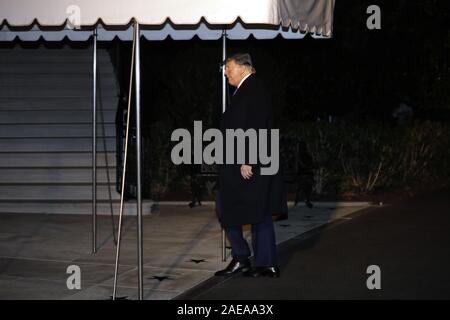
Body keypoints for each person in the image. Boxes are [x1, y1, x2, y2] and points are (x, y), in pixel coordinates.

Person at [214, 53, 284, 278]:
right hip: (239, 162)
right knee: (243, 208)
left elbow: (257, 124)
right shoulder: (246, 89)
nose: (225, 72)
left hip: (249, 162)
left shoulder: (254, 88)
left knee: (254, 209)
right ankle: (248, 259)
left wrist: (248, 159)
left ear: (243, 67)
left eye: (228, 68)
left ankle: (258, 262)